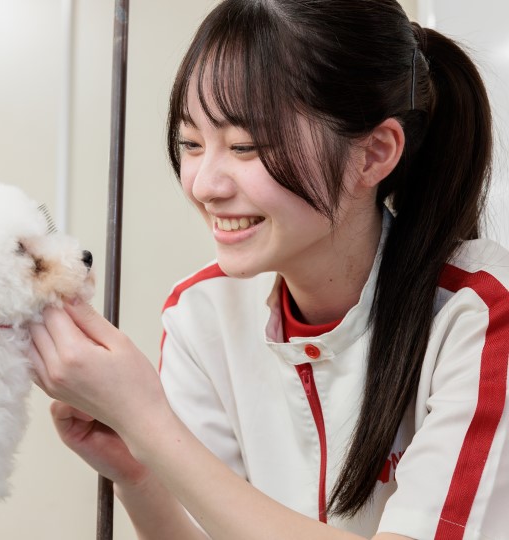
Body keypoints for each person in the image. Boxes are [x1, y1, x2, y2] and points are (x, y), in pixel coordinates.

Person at [28, 0, 508, 538]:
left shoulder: (480, 311)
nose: (204, 185)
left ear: (374, 154)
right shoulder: (201, 314)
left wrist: (147, 421)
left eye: (245, 146)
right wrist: (139, 474)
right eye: (191, 144)